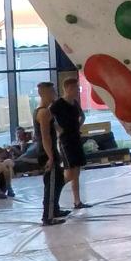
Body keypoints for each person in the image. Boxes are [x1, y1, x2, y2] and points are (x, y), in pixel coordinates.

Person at [50, 76, 88, 211]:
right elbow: (48, 118)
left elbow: (82, 116)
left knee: (77, 171)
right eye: (76, 88)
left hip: (76, 138)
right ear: (68, 89)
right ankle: (53, 195)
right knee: (70, 172)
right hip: (66, 141)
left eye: (78, 88)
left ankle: (77, 201)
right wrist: (58, 129)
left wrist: (78, 126)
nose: (78, 91)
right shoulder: (58, 104)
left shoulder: (75, 103)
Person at [35, 81, 68, 226]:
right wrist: (50, 157)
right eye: (52, 91)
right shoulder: (43, 112)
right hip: (46, 152)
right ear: (44, 93)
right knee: (52, 183)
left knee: (59, 180)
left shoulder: (47, 111)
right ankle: (48, 216)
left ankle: (55, 209)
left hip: (51, 150)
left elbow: (56, 129)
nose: (54, 94)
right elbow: (45, 136)